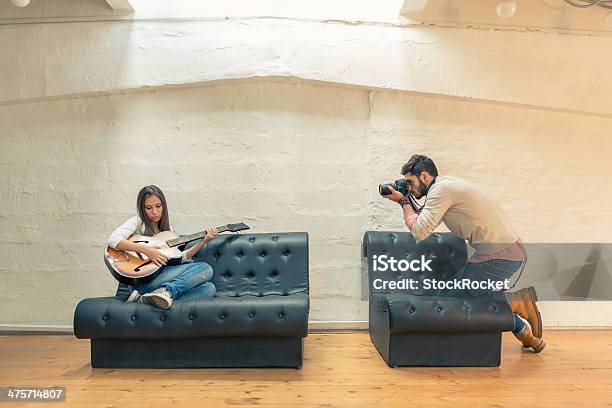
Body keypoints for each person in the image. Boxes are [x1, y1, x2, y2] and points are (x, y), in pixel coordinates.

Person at [383, 155, 545, 353]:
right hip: (494, 254)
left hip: (500, 256)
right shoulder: (444, 186)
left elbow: (419, 231)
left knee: (453, 302)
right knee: (460, 296)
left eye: (411, 182)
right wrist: (406, 199)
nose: (409, 187)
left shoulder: (441, 190)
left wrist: (403, 204)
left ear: (424, 176)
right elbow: (424, 215)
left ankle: (517, 305)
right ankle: (520, 316)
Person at [106, 185, 217, 310]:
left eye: (158, 206)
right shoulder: (137, 222)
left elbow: (182, 257)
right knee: (205, 268)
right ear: (142, 209)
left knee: (208, 288)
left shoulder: (168, 231)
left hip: (160, 277)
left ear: (163, 206)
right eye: (148, 207)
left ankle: (148, 299)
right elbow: (113, 240)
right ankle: (166, 292)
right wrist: (148, 251)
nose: (154, 212)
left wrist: (204, 241)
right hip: (142, 281)